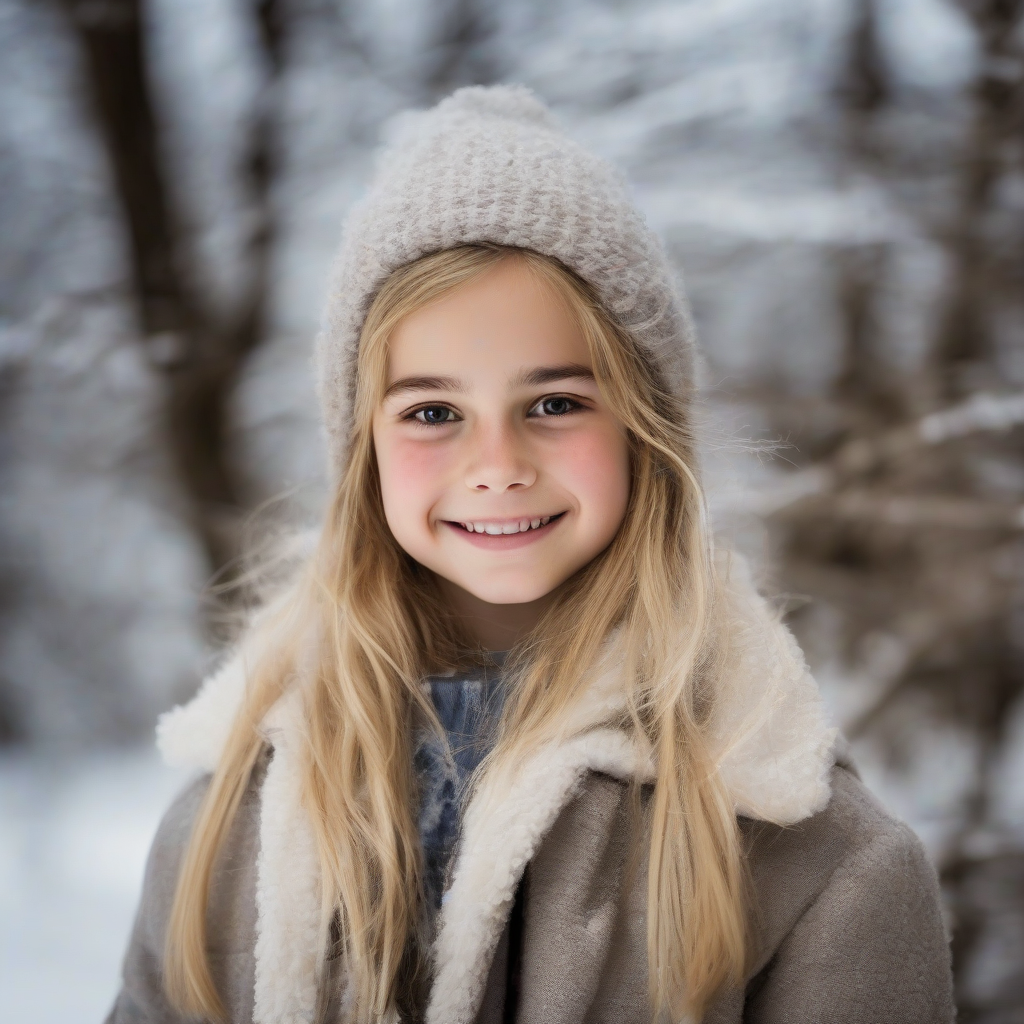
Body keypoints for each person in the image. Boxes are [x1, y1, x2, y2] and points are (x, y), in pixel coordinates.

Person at [107, 86, 954, 1024]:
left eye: (554, 403)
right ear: (365, 455)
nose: (498, 466)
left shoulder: (815, 860)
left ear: (644, 429)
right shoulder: (226, 827)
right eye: (434, 413)